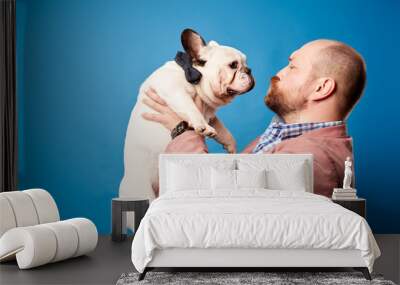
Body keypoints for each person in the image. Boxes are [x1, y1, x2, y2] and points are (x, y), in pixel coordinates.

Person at [141, 39, 366, 198]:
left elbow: (213, 202)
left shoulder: (311, 158)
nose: (278, 73)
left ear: (321, 88)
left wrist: (181, 130)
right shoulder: (286, 139)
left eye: (292, 67)